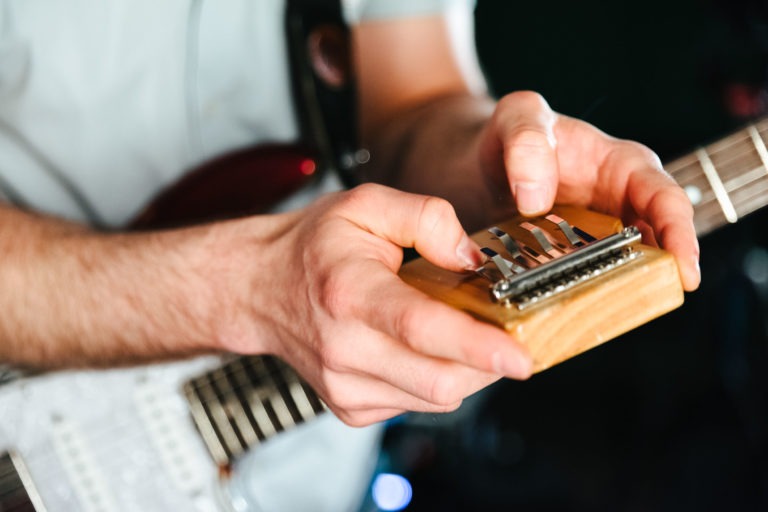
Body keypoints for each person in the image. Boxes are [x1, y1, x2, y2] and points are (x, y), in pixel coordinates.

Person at [0, 0, 699, 431]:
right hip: (42, 433)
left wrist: (488, 163)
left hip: (301, 467)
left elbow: (408, 107)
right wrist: (245, 289)